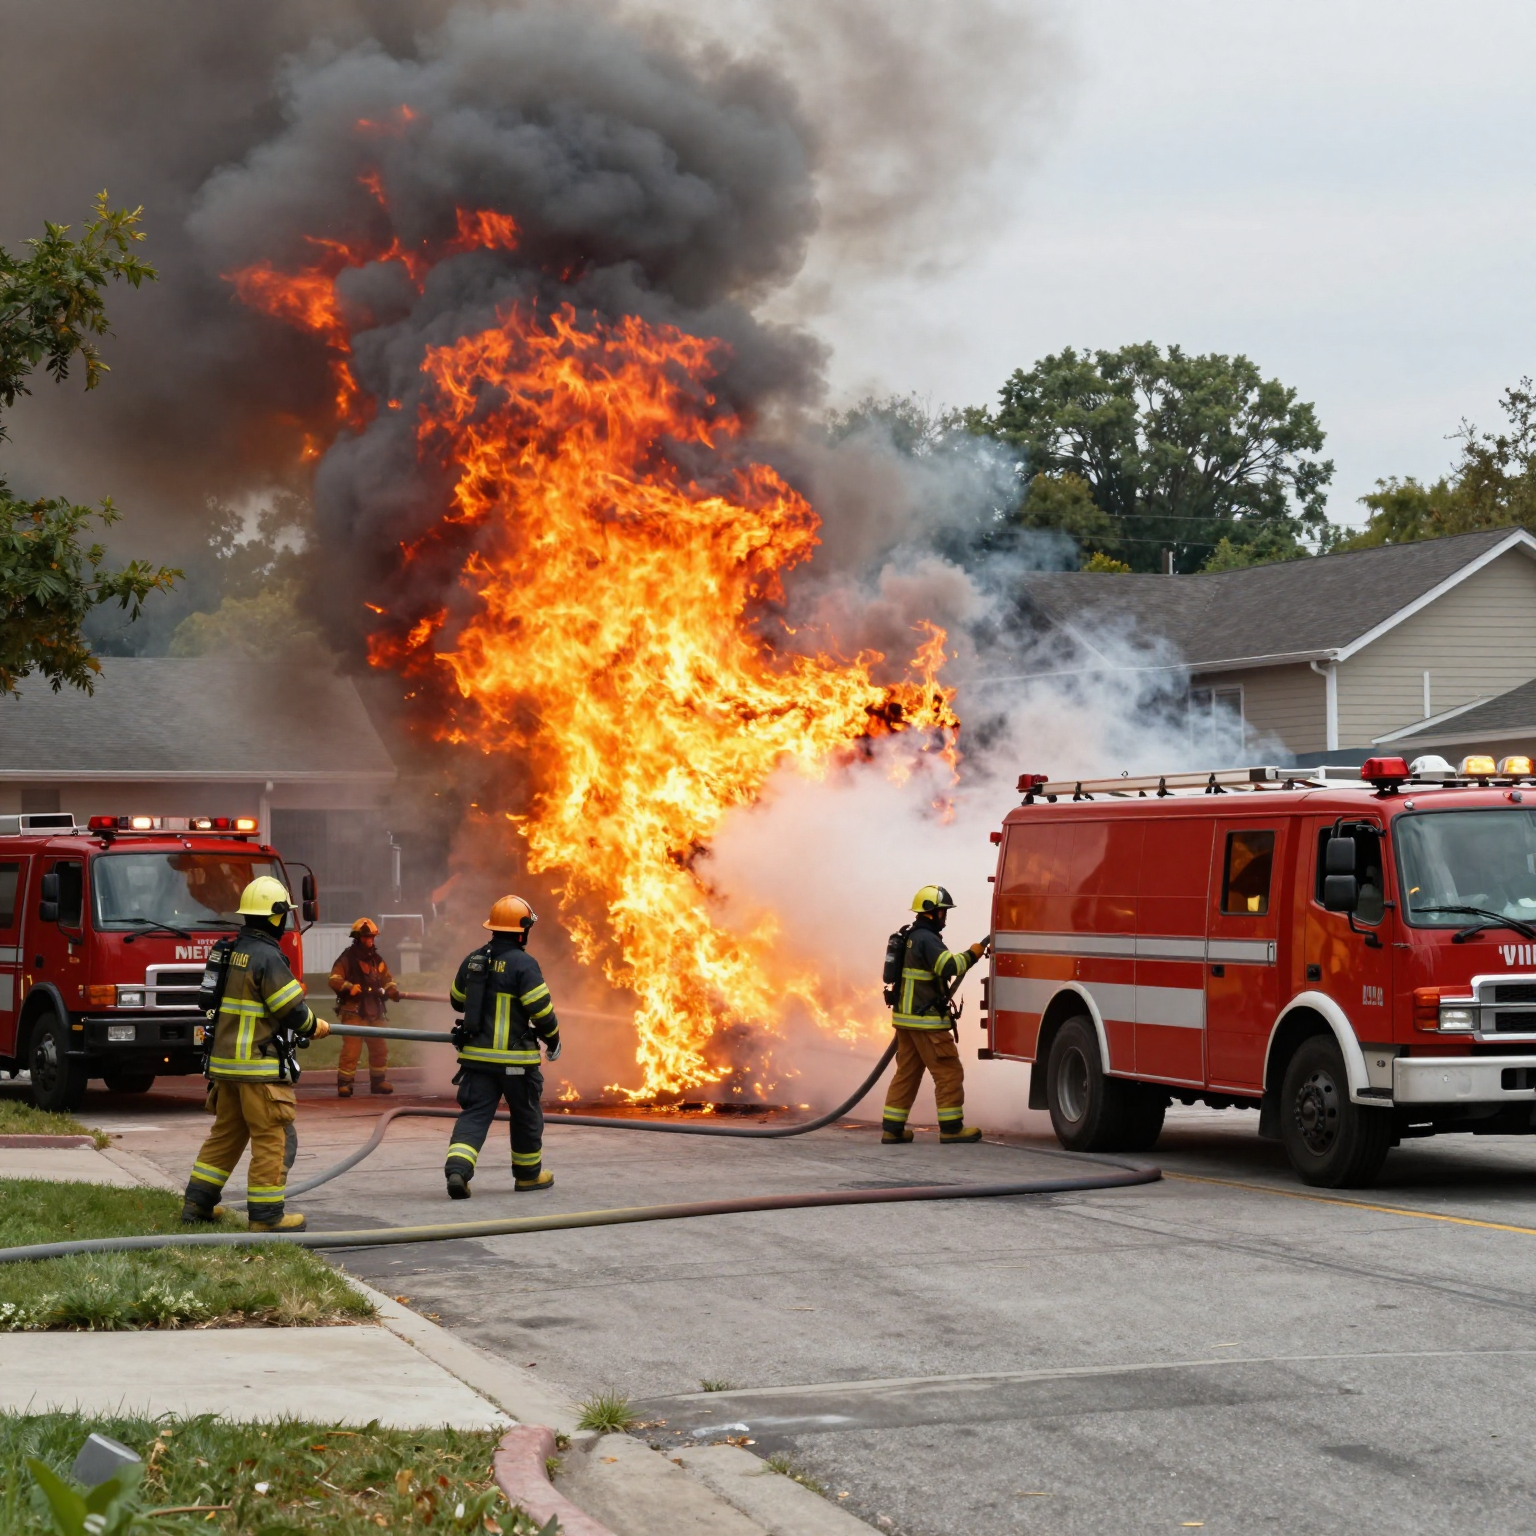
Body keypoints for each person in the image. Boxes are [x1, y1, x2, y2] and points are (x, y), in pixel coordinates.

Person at [180, 875, 328, 1232]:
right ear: (276, 916)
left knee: (226, 1134)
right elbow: (291, 1010)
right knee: (273, 1138)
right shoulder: (268, 957)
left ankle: (197, 1204)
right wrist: (315, 1026)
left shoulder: (230, 951)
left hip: (224, 1068)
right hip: (258, 1070)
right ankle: (266, 1218)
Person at [444, 894, 562, 1199]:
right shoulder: (524, 964)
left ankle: (458, 1171)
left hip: (476, 1060)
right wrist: (554, 1039)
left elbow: (457, 1000)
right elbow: (541, 1011)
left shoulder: (474, 960)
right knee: (525, 1115)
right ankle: (527, 1177)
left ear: (493, 928)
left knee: (475, 1114)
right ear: (522, 931)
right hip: (516, 1063)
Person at [882, 884, 988, 1145]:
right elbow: (948, 966)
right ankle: (952, 1128)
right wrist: (973, 953)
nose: (945, 917)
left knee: (907, 1073)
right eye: (943, 912)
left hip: (906, 1021)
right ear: (931, 912)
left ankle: (892, 1129)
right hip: (926, 1021)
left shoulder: (910, 936)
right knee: (948, 1071)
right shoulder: (927, 939)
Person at [329, 917, 401, 1097]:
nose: (371, 940)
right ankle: (345, 1084)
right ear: (358, 938)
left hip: (374, 1011)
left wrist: (392, 990)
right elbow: (334, 979)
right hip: (353, 1011)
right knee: (351, 1050)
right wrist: (349, 987)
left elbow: (387, 979)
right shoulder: (346, 959)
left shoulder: (376, 960)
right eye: (367, 937)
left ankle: (378, 1082)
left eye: (373, 937)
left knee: (379, 1048)